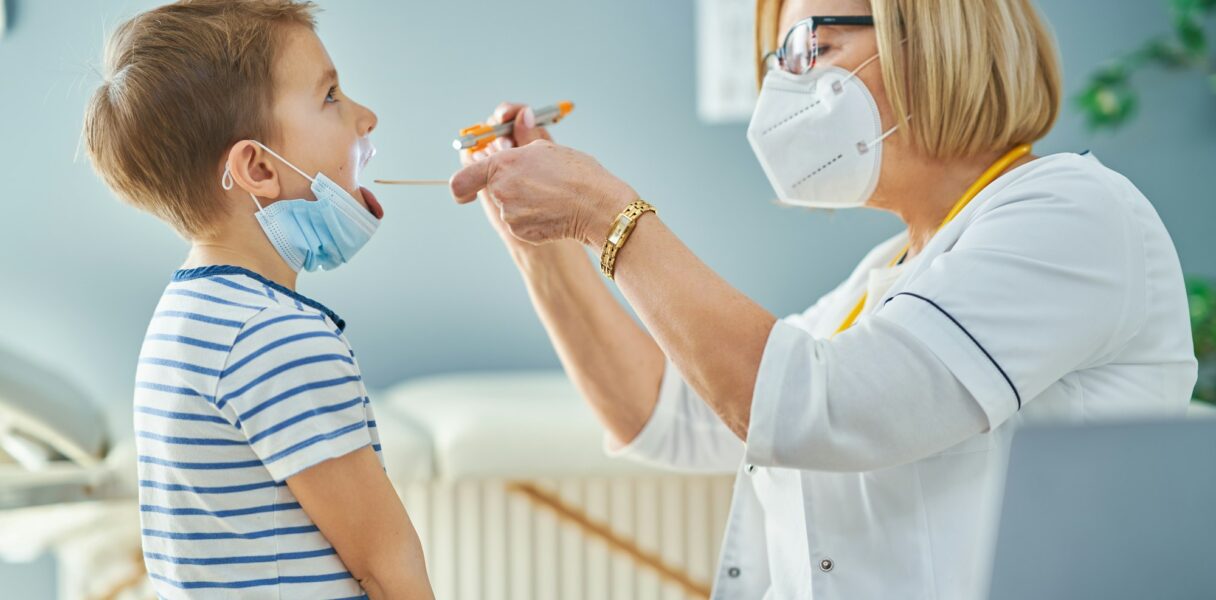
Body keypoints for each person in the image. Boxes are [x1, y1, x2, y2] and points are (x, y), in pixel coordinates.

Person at [448, 0, 1199, 597]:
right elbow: (666, 413)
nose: (783, 88)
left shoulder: (1073, 213)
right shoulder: (893, 271)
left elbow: (820, 407)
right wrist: (541, 244)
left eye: (808, 48)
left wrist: (610, 214)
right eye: (776, 63)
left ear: (927, 32)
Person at [83, 1, 433, 597]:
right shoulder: (276, 336)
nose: (366, 117)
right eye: (331, 97)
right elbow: (387, 564)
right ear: (257, 167)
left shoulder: (185, 318)